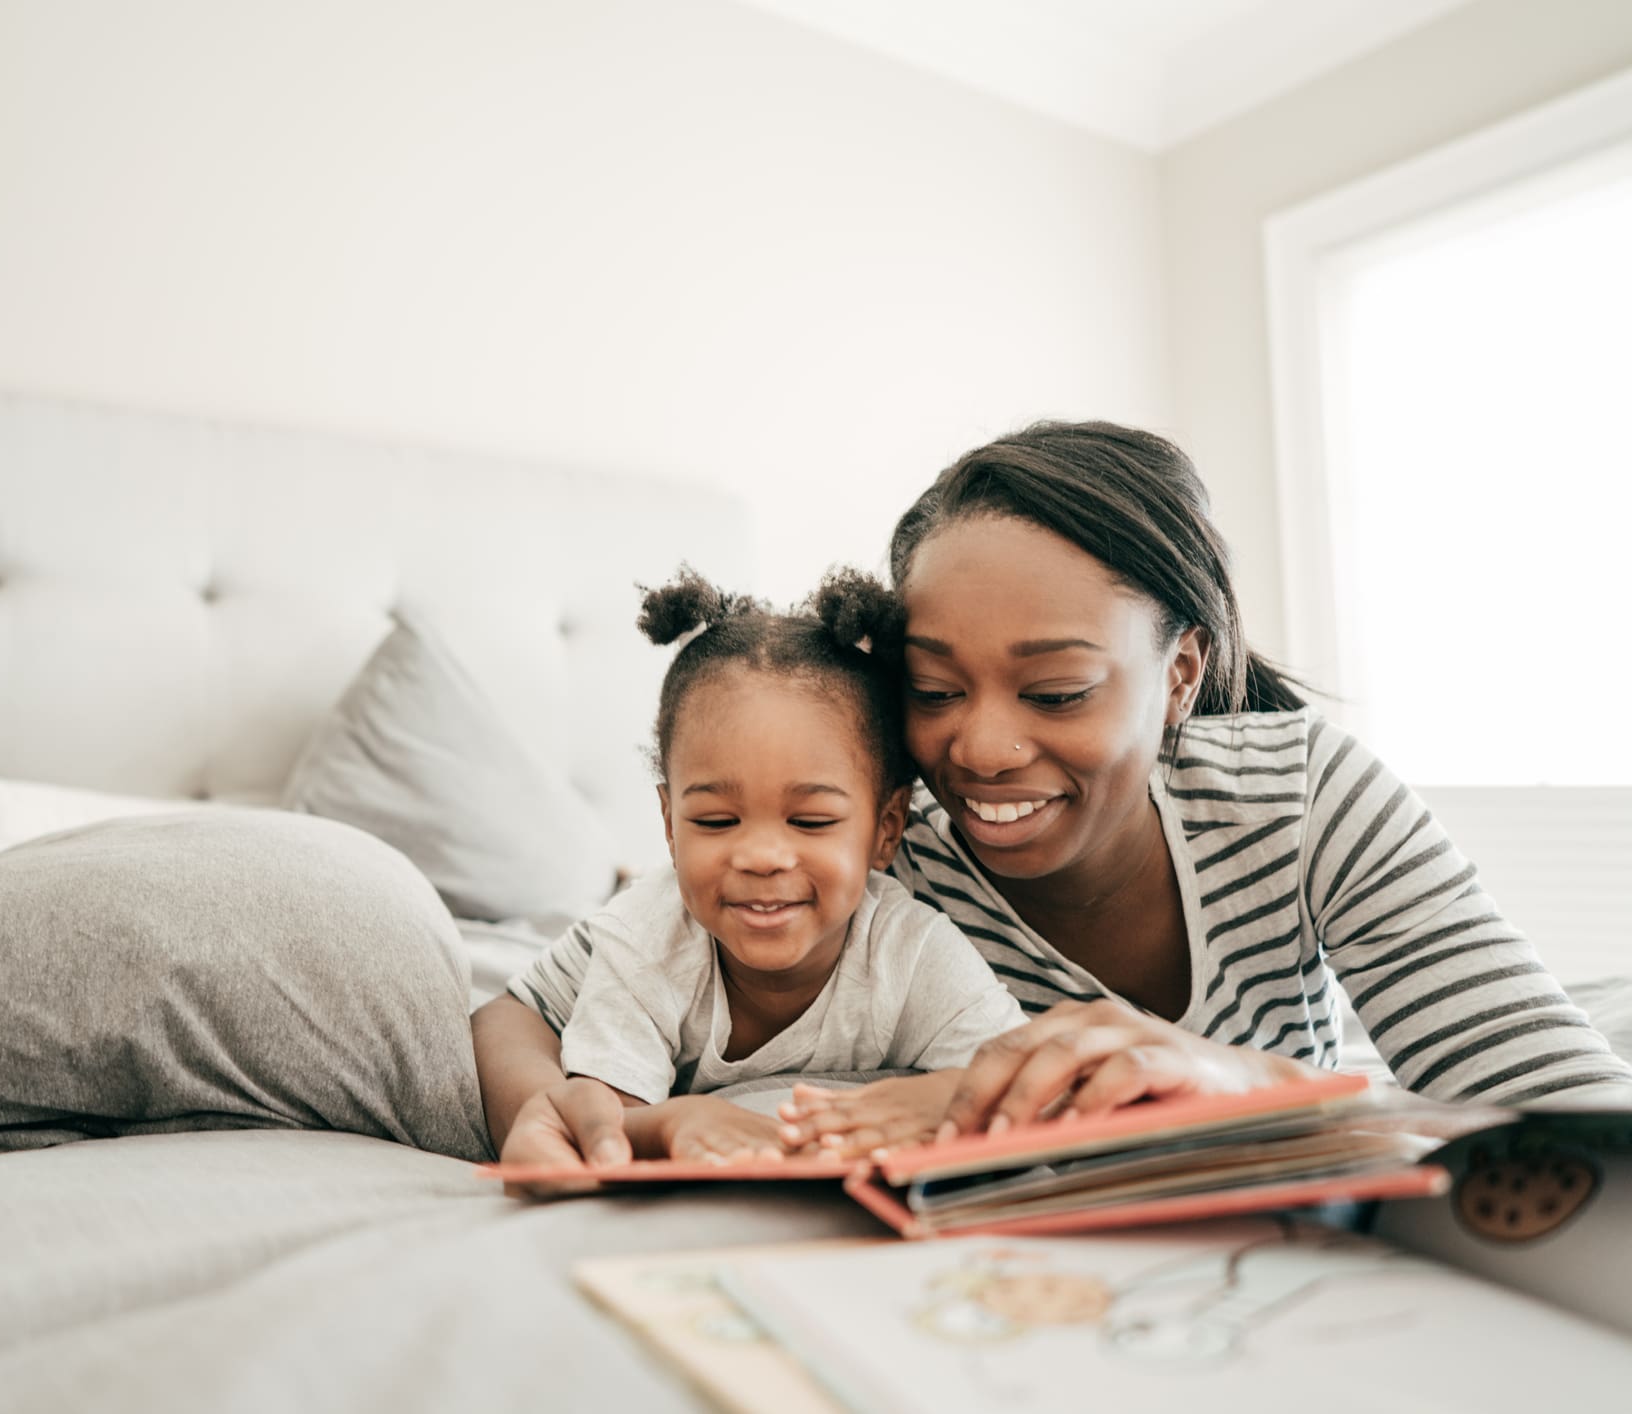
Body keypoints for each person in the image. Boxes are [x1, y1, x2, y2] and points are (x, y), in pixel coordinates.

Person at [476, 420, 1631, 1184]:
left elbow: (1574, 1124)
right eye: (931, 689)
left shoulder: (1302, 801)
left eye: (1056, 688)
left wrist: (1238, 1082)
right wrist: (557, 1106)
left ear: (1179, 675)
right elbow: (577, 1008)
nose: (976, 747)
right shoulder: (881, 861)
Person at [504, 567, 1025, 1165]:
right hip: (541, 1006)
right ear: (670, 825)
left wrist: (942, 1093)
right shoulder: (648, 941)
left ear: (886, 830)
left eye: (810, 822)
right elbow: (606, 1128)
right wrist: (670, 1122)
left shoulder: (912, 951)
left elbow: (1013, 1078)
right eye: (716, 822)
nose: (761, 858)